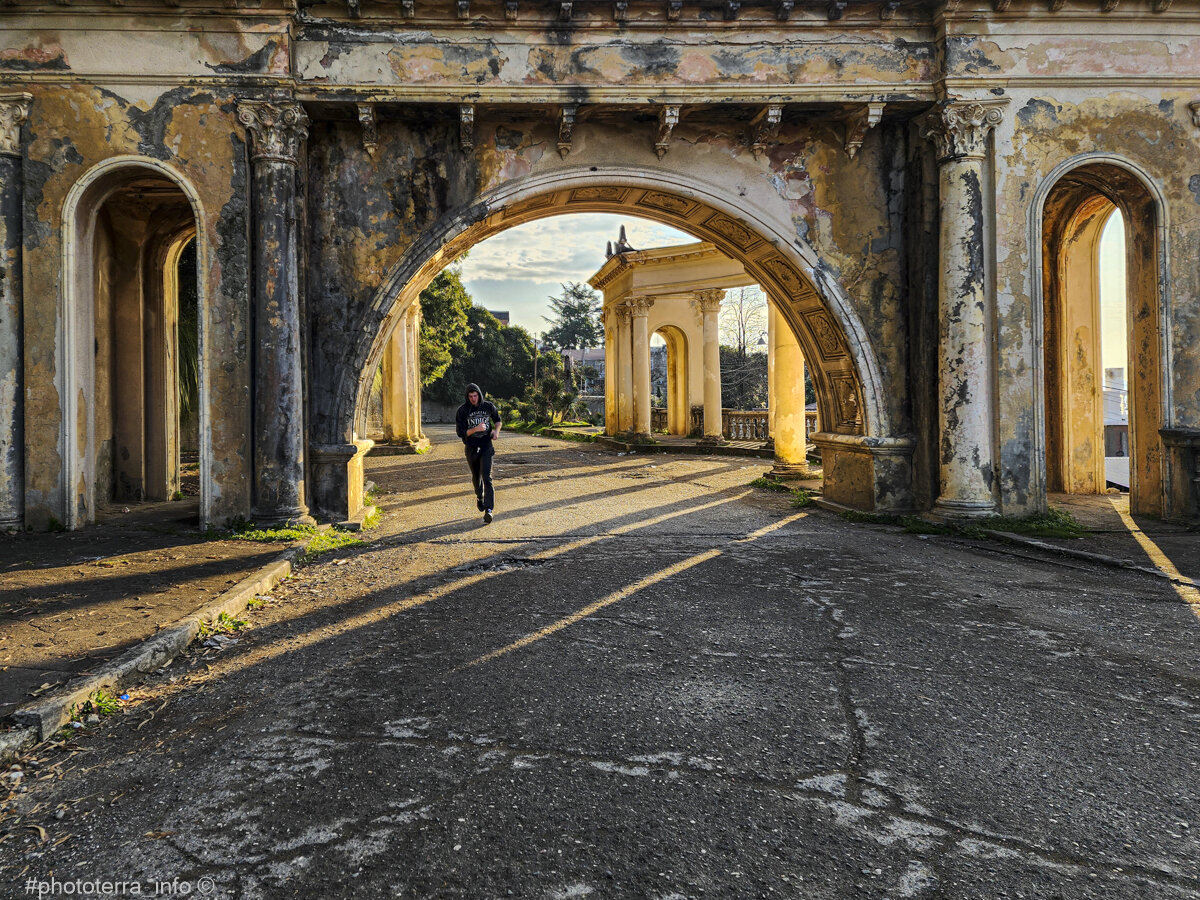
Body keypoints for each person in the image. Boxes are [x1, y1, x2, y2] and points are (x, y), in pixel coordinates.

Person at [455, 382, 502, 523]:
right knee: (476, 477)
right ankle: (479, 497)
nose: (473, 399)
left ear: (479, 395)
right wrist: (475, 429)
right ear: (467, 397)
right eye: (470, 396)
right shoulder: (462, 411)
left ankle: (489, 510)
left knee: (487, 477)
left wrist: (496, 432)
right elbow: (460, 433)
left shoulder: (488, 406)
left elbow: (498, 420)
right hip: (471, 448)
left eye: (475, 396)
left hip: (486, 445)